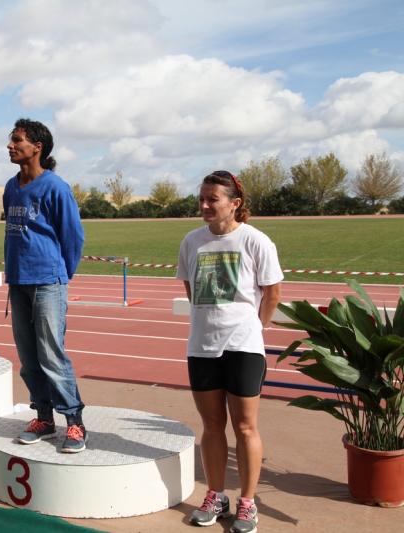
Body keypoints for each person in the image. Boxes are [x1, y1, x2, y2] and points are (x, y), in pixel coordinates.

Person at [177, 170, 282, 533]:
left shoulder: (256, 241)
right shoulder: (192, 242)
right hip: (202, 346)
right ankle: (216, 495)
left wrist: (254, 327)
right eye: (201, 199)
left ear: (234, 203)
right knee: (211, 426)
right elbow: (192, 290)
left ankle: (248, 504)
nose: (204, 206)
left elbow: (272, 293)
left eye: (213, 199)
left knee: (245, 426)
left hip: (243, 346)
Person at [3, 118, 87, 453]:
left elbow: (73, 237)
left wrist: (60, 273)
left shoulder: (56, 187)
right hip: (18, 281)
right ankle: (43, 416)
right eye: (11, 139)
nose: (10, 145)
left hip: (48, 281)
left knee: (51, 354)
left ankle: (75, 421)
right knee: (28, 357)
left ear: (37, 147)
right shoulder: (11, 187)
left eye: (18, 140)